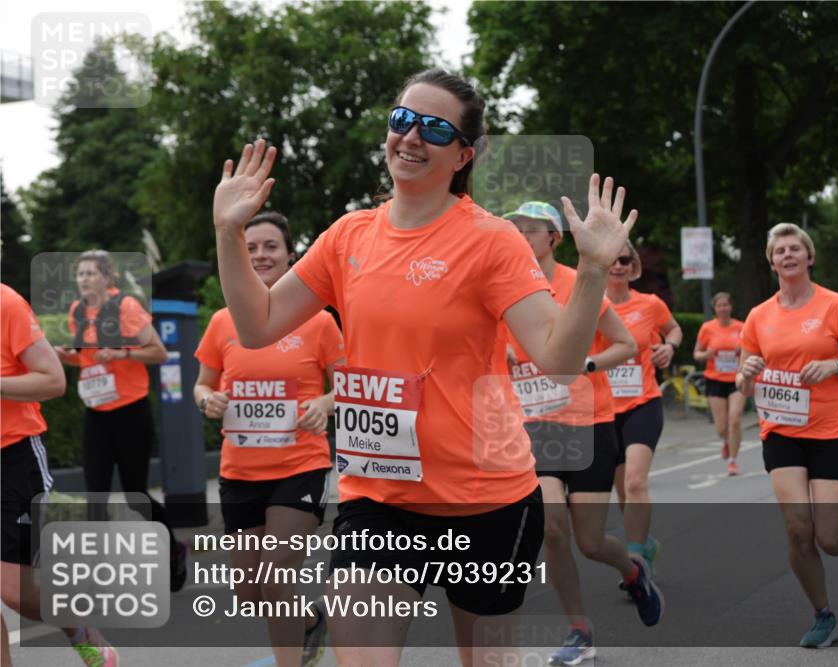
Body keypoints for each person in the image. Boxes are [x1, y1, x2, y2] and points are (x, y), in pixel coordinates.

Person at [210, 69, 644, 667]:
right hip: (378, 498)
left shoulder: (491, 241)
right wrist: (228, 231)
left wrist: (593, 272)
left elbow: (558, 358)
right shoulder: (347, 236)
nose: (411, 137)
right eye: (402, 120)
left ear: (463, 154)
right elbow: (257, 325)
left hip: (485, 501)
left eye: (435, 129)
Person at [502, 202, 659, 665]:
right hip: (536, 427)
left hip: (589, 425)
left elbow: (627, 345)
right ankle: (578, 629)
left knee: (591, 543)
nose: (523, 236)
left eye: (533, 230)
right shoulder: (503, 290)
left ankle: (633, 571)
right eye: (517, 229)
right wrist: (503, 359)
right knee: (552, 528)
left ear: (554, 238)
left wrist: (585, 364)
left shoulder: (578, 283)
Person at [194, 212, 345, 667]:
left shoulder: (319, 322)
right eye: (251, 247)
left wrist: (325, 403)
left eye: (270, 247)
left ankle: (289, 661)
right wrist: (207, 401)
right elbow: (202, 384)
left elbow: (350, 385)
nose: (260, 255)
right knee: (251, 590)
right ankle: (306, 621)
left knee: (278, 575)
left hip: (300, 466)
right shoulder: (222, 322)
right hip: (239, 472)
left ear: (290, 256)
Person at [736, 223, 838, 649]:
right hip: (781, 431)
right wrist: (743, 375)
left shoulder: (835, 306)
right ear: (771, 260)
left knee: (828, 537)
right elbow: (744, 383)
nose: (788, 255)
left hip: (830, 431)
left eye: (796, 248)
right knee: (799, 529)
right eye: (780, 250)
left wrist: (835, 367)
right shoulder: (759, 316)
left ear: (809, 257)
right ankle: (823, 615)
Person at [53, 250, 186, 592]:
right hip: (96, 413)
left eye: (90, 273)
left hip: (130, 412)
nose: (83, 279)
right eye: (79, 274)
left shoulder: (125, 307)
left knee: (134, 496)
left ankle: (173, 549)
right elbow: (88, 361)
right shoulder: (77, 312)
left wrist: (123, 352)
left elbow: (157, 351)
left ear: (107, 278)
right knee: (95, 494)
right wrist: (67, 357)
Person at [1, 283, 118, 666]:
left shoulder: (7, 304)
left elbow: (53, 380)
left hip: (11, 458)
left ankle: (78, 629)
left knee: (17, 592)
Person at [604, 239, 678, 575]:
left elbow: (673, 329)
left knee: (635, 482)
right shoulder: (589, 306)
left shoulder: (650, 304)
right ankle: (643, 541)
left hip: (643, 402)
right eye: (611, 260)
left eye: (624, 259)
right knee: (622, 491)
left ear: (633, 265)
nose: (618, 265)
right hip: (604, 409)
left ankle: (636, 561)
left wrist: (670, 347)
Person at [694, 291, 745, 476]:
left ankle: (732, 460)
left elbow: (753, 350)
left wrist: (742, 352)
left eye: (726, 305)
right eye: (719, 305)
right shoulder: (707, 328)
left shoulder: (742, 327)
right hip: (715, 380)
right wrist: (706, 355)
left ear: (731, 306)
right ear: (714, 308)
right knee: (721, 427)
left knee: (735, 417)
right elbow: (696, 354)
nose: (723, 308)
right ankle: (726, 441)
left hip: (737, 379)